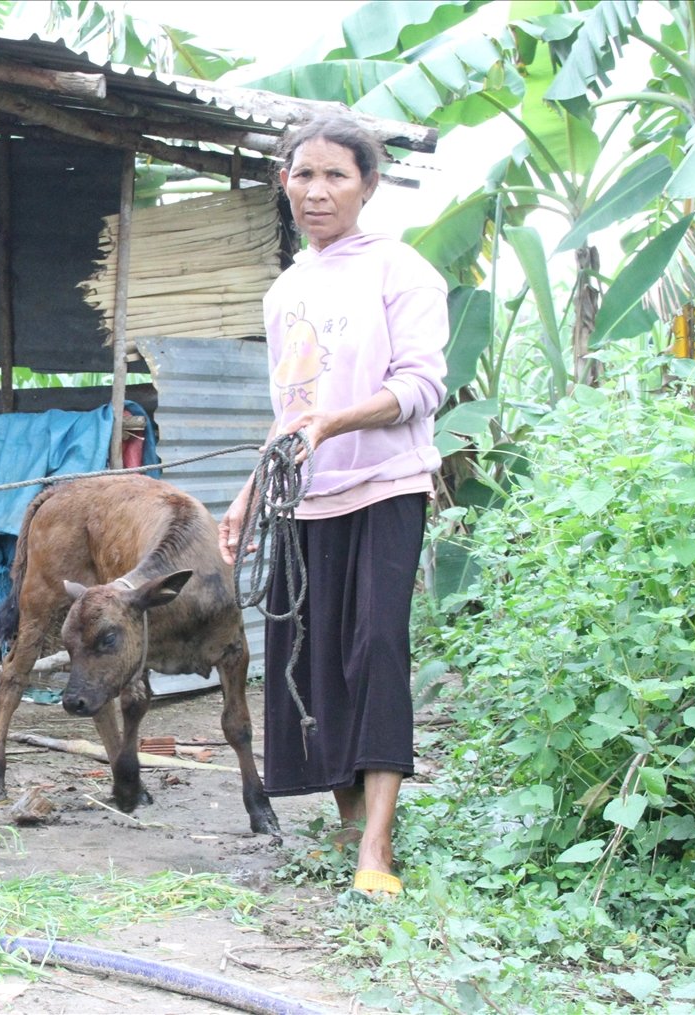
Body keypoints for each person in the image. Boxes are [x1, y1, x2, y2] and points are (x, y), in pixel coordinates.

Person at [218, 114, 448, 896]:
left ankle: (377, 850)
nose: (316, 191)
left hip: (385, 488)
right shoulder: (286, 291)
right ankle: (352, 828)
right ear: (284, 182)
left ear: (369, 185)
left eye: (336, 176)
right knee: (314, 668)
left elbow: (422, 387)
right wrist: (250, 495)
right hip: (302, 500)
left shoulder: (402, 272)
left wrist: (338, 423)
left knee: (375, 650)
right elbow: (290, 412)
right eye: (303, 175)